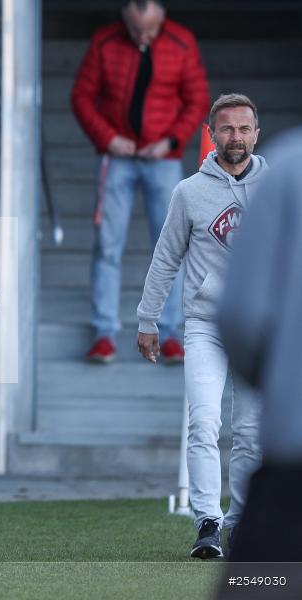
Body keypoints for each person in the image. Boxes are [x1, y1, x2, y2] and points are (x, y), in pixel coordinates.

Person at [136, 94, 267, 559]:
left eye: (243, 129)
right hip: (206, 324)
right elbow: (166, 257)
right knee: (203, 422)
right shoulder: (189, 191)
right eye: (226, 128)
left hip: (260, 326)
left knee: (251, 432)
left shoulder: (279, 186)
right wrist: (148, 317)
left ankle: (243, 525)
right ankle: (208, 523)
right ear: (212, 134)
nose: (235, 137)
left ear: (256, 133)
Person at [71, 0, 209, 363]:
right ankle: (104, 332)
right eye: (135, 30)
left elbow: (197, 100)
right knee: (107, 245)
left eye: (149, 30)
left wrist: (171, 140)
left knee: (172, 248)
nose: (143, 37)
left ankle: (171, 333)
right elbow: (82, 97)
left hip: (163, 160)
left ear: (162, 17)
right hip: (115, 158)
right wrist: (108, 138)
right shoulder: (105, 42)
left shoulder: (181, 42)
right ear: (124, 18)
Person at [217, 127, 302, 565]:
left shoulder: (287, 168)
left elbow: (241, 319)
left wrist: (279, 382)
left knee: (262, 583)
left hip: (293, 467)